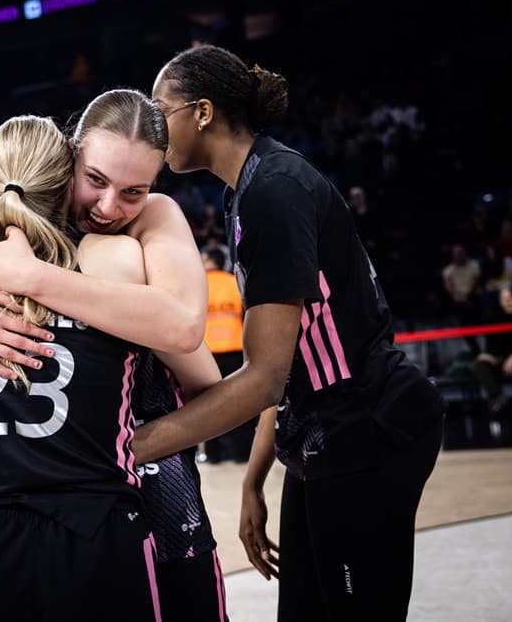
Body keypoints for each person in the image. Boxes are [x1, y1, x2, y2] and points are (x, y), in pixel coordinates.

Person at [0, 90, 229, 621]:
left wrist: (34, 278)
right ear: (67, 157)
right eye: (95, 180)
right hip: (69, 491)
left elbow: (187, 332)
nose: (108, 208)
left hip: (138, 471)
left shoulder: (154, 218)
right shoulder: (19, 228)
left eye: (133, 192)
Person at [133, 43, 446, 621]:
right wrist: (254, 482)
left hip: (365, 428)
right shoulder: (245, 191)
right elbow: (285, 366)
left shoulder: (274, 190)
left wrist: (132, 446)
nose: (152, 128)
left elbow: (264, 378)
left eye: (160, 109)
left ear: (202, 112)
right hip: (321, 432)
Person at [200, 246, 254, 464]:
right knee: (240, 405)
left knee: (209, 407)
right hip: (235, 350)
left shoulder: (198, 284)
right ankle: (242, 453)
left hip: (207, 354)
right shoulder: (234, 283)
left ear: (211, 261)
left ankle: (213, 455)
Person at [470, 284, 512, 417]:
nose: (508, 302)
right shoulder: (493, 319)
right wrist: (483, 355)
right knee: (479, 365)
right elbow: (470, 331)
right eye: (504, 299)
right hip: (499, 359)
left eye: (510, 298)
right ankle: (498, 398)